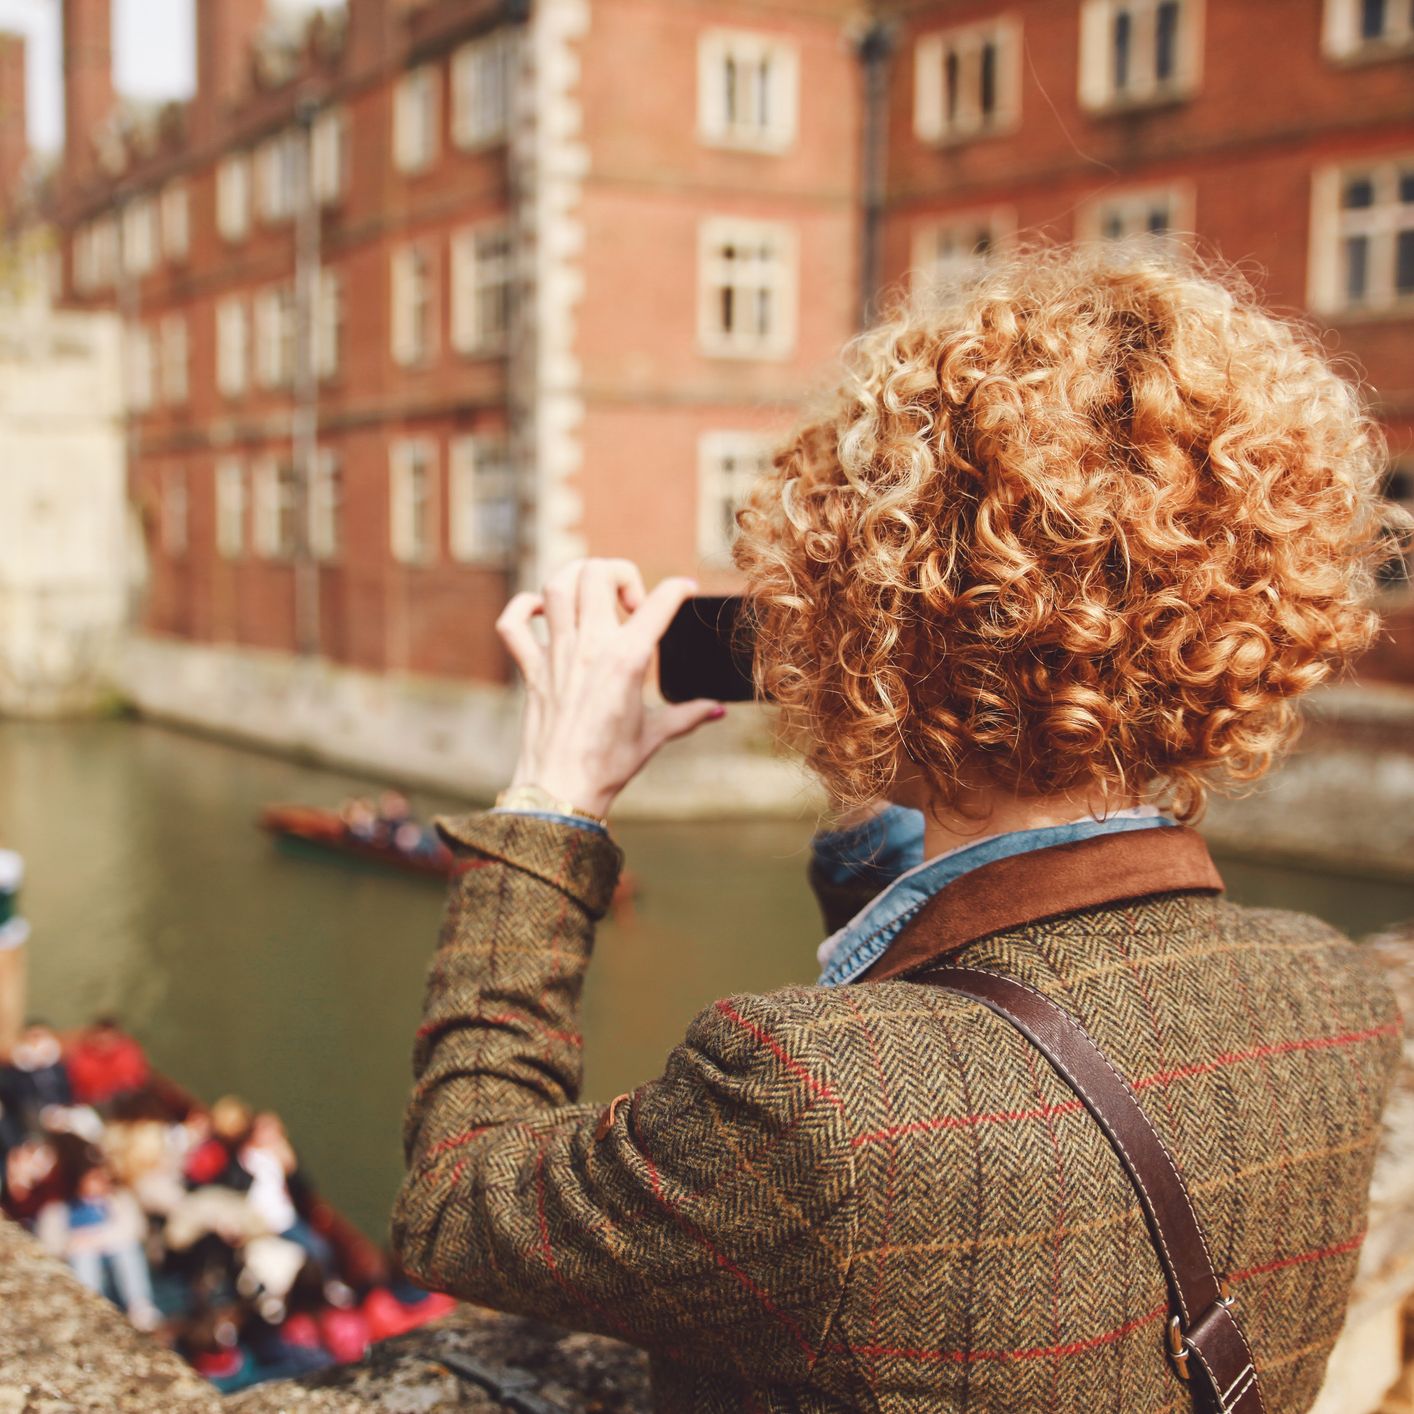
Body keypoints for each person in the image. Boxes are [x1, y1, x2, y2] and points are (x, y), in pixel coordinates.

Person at [390, 245, 1408, 1412]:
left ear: (848, 607)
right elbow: (995, 984)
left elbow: (457, 1198)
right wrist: (886, 750)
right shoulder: (1330, 997)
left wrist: (552, 795)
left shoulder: (803, 1100)